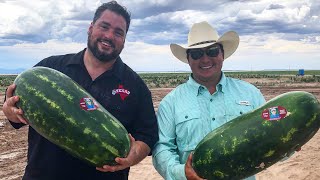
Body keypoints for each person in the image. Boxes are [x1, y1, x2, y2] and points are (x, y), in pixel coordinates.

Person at [2, 1, 158, 179]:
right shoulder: (51, 67)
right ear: (91, 28)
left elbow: (148, 135)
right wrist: (9, 110)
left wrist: (134, 155)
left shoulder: (136, 86)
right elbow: (15, 103)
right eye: (104, 26)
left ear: (124, 40)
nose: (109, 35)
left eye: (118, 32)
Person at [152, 21, 266, 180]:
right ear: (188, 59)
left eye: (212, 51)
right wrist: (181, 172)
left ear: (222, 54)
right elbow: (162, 148)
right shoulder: (170, 103)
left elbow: (269, 135)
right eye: (197, 54)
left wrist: (289, 144)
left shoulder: (251, 94)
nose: (205, 59)